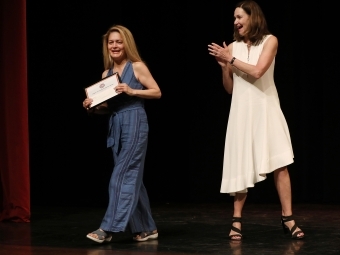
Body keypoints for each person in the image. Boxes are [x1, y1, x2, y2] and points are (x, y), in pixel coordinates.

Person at [208, 0, 304, 241]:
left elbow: (259, 71)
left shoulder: (270, 41)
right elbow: (230, 89)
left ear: (253, 17)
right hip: (241, 112)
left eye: (239, 17)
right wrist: (223, 67)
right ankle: (237, 220)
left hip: (266, 108)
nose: (235, 22)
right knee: (240, 164)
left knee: (279, 163)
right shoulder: (232, 47)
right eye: (234, 18)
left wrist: (229, 60)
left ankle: (288, 218)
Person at [83, 24, 161, 243]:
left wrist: (132, 90)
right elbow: (108, 106)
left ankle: (108, 228)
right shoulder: (106, 74)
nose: (114, 46)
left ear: (127, 44)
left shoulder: (137, 67)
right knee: (132, 178)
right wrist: (92, 106)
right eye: (111, 42)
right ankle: (146, 227)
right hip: (117, 124)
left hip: (135, 120)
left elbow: (157, 92)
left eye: (119, 42)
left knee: (122, 176)